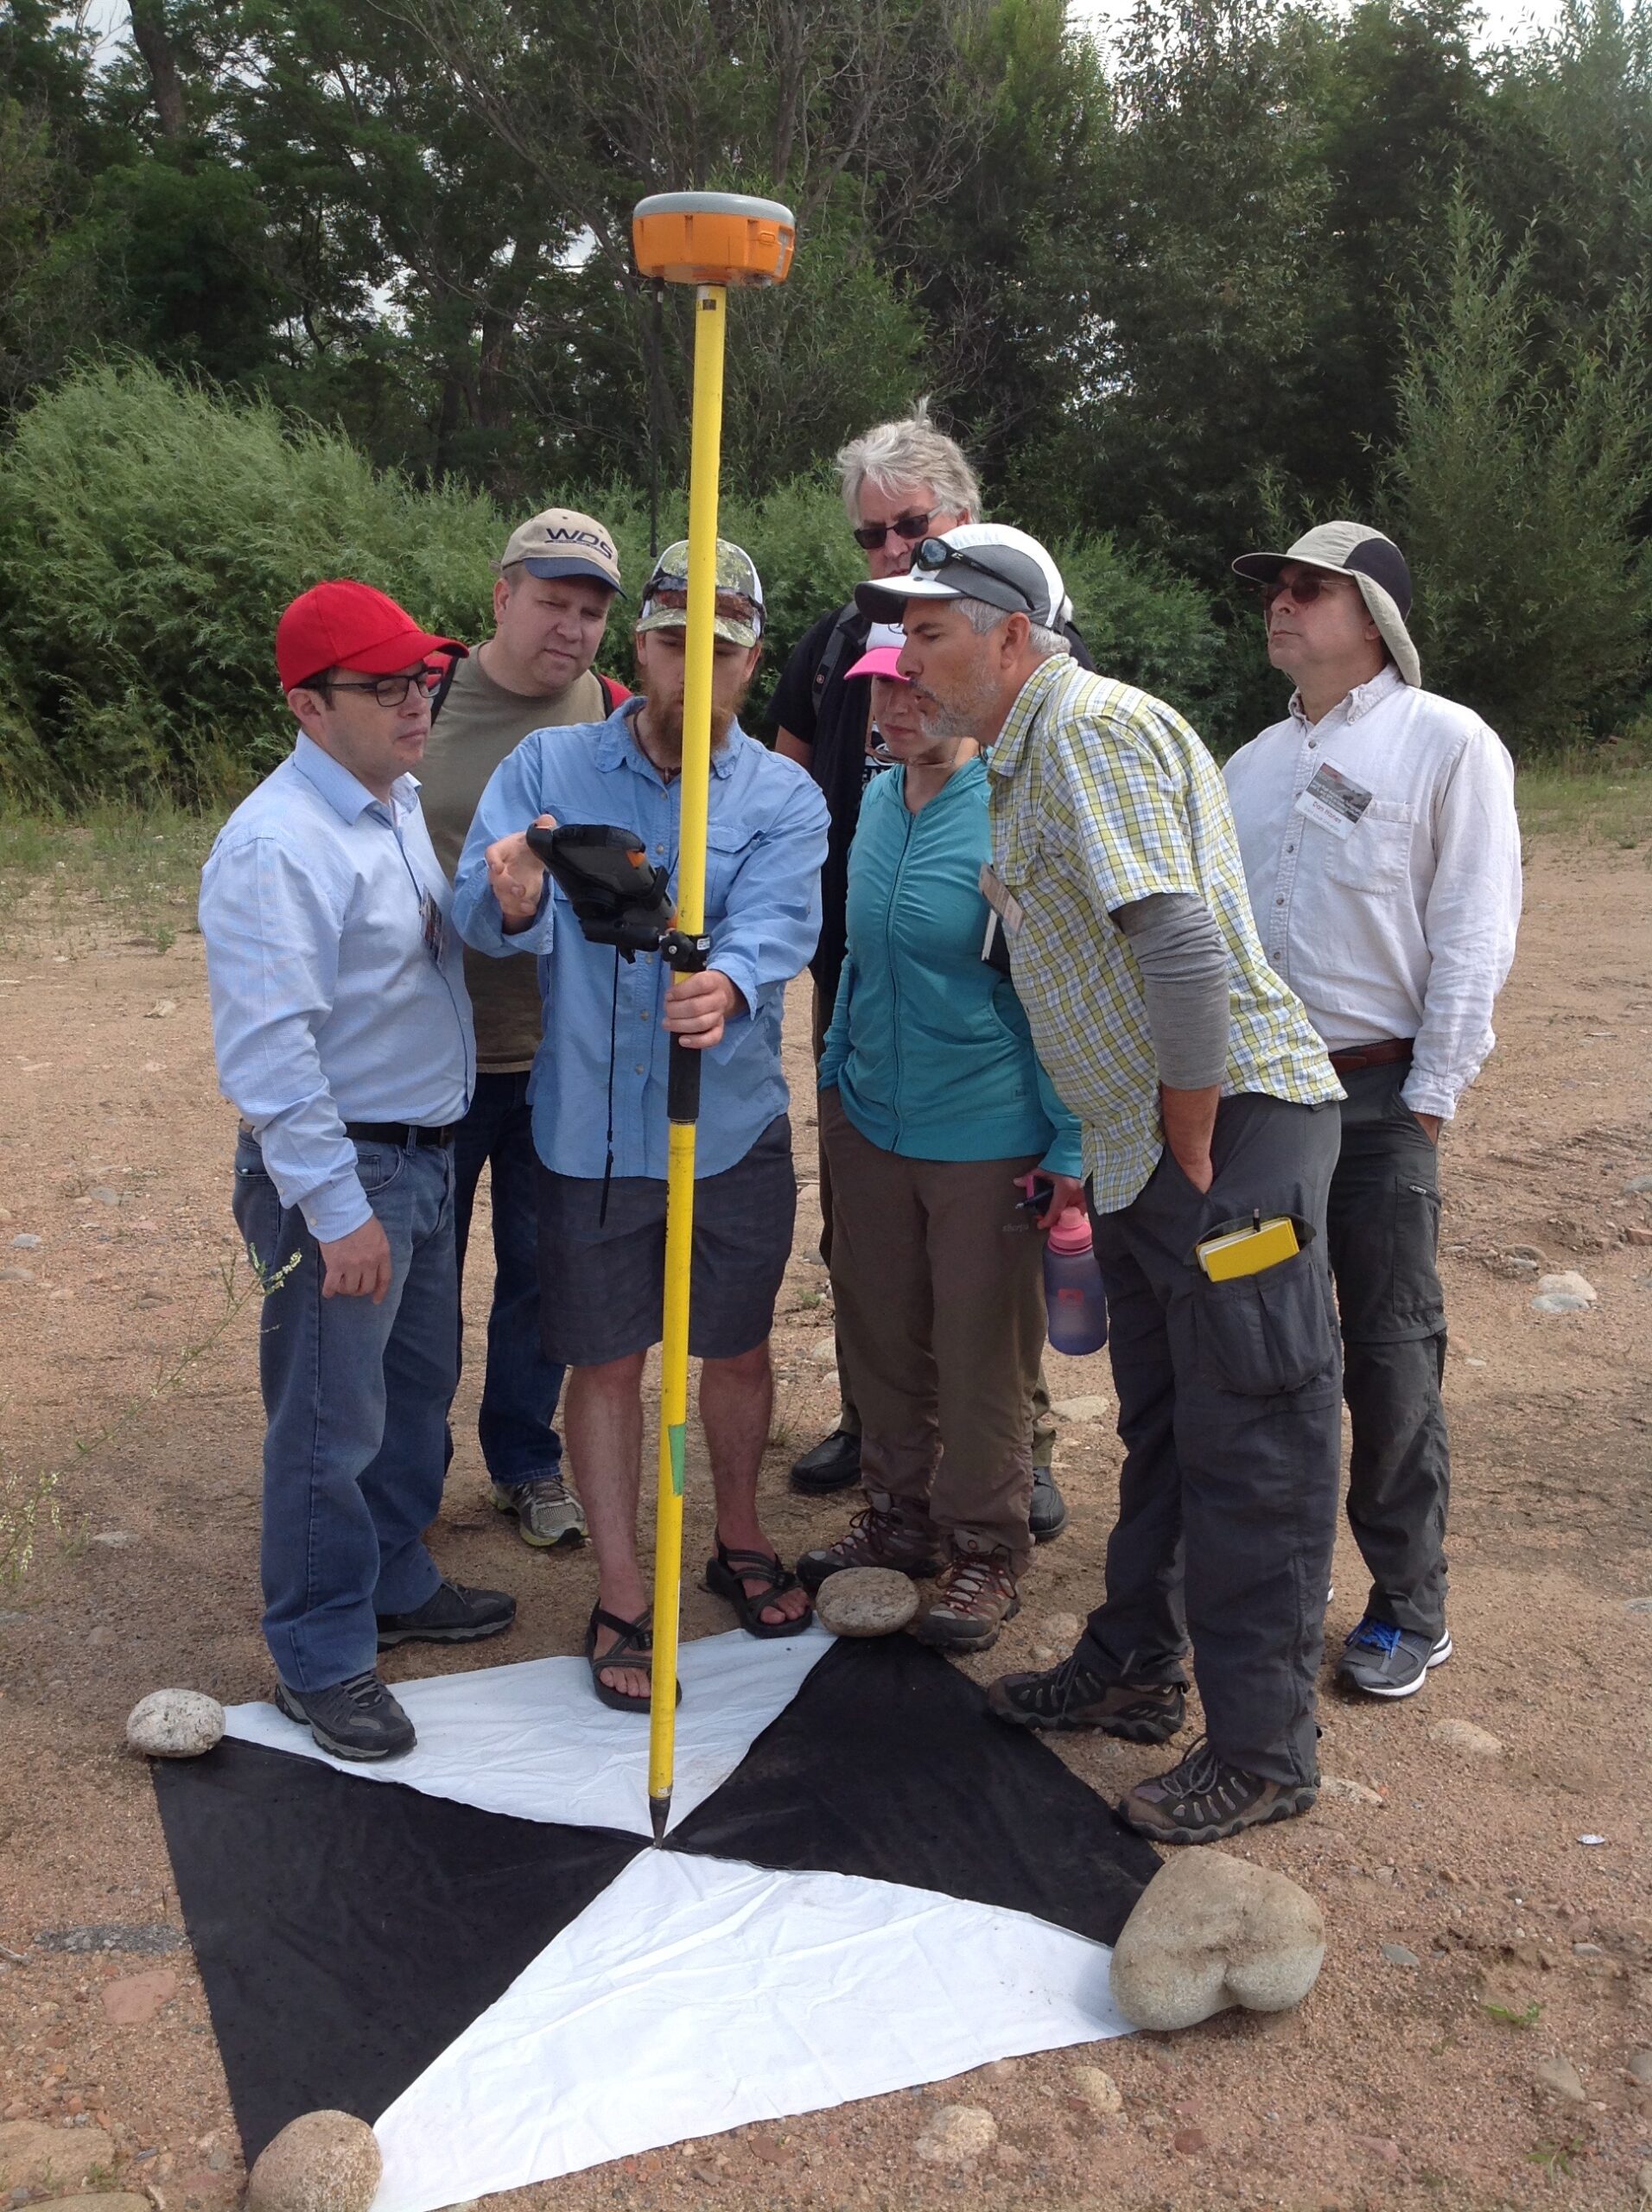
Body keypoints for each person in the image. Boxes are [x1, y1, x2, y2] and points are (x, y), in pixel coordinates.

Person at [863, 523, 1345, 1845]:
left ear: (1013, 635)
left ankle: (1260, 1754)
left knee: (1256, 1443)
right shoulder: (1026, 757)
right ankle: (1137, 1664)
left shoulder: (1086, 730)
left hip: (1222, 1133)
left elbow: (1182, 948)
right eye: (907, 630)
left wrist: (1188, 1134)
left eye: (933, 629)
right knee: (1175, 1429)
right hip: (1152, 1145)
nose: (910, 657)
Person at [453, 542, 829, 1711]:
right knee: (607, 1358)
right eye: (673, 643)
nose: (692, 668)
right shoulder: (550, 763)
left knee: (734, 1343)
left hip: (730, 1126)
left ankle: (741, 1537)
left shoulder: (782, 794)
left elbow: (780, 923)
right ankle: (622, 1587)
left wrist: (730, 979)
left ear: (750, 660)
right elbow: (485, 902)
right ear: (642, 647)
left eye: (720, 649)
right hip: (587, 1129)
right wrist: (510, 890)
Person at [200, 581, 516, 1763]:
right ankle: (321, 1654)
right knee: (328, 1422)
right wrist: (335, 1213)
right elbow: (273, 1054)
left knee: (411, 1390)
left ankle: (389, 1579)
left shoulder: (387, 802)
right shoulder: (277, 845)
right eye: (382, 689)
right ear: (307, 705)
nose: (414, 704)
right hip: (346, 1175)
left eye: (420, 679)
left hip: (419, 1156)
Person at [1224, 523, 1522, 1700]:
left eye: (1310, 589)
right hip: (1261, 1101)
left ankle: (1410, 1603)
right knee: (1259, 1340)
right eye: (1276, 590)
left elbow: (1476, 927)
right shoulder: (1246, 763)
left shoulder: (1447, 742)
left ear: (1376, 616)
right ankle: (1267, 1580)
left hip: (1382, 1097)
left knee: (1389, 1356)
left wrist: (1432, 1100)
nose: (1282, 605)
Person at [768, 405, 1071, 1545]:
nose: (888, 552)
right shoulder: (831, 646)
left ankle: (1013, 1451)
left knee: (987, 1269)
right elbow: (788, 795)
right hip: (861, 984)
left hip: (983, 1001)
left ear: (962, 518)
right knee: (870, 1246)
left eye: (908, 527)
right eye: (869, 537)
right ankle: (880, 1436)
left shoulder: (1017, 640)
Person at [799, 630, 1084, 1649]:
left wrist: (1069, 1141)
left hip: (987, 1130)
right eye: (882, 689)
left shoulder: (1017, 811)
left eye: (918, 685)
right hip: (868, 1118)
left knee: (979, 1355)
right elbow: (856, 960)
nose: (899, 706)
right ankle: (900, 1515)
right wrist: (834, 1069)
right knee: (878, 1333)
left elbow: (1056, 987)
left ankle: (984, 1547)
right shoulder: (875, 804)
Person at [419, 507, 631, 1554]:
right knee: (425, 1282)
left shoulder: (618, 715)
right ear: (502, 595)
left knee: (543, 1273)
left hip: (564, 1060)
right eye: (552, 601)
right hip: (433, 1056)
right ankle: (406, 1482)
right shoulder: (421, 697)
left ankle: (525, 1460)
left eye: (592, 611)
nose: (572, 627)